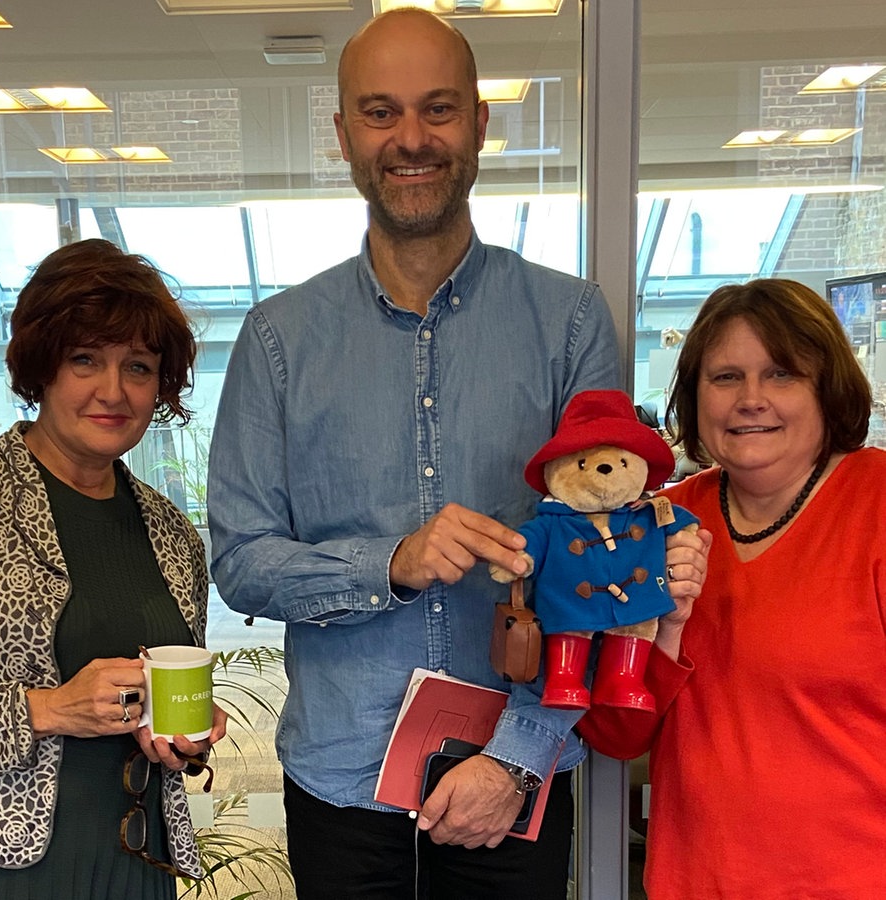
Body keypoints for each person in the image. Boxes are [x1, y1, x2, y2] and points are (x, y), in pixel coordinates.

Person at [207, 9, 706, 899]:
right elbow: (242, 561)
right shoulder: (277, 340)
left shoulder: (570, 323)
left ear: (480, 123)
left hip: (513, 778)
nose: (411, 139)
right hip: (339, 783)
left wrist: (516, 758)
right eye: (380, 112)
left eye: (438, 109)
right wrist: (389, 564)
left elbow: (608, 561)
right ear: (343, 134)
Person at [0, 239, 227, 898]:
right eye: (85, 359)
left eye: (139, 367)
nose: (113, 391)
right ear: (42, 367)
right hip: (6, 867)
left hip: (135, 856)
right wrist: (46, 709)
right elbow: (52, 708)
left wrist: (183, 738)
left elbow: (165, 697)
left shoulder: (172, 533)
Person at [640, 278, 885, 897]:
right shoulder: (656, 523)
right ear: (694, 396)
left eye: (781, 374)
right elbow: (616, 734)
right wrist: (665, 627)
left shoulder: (876, 503)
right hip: (693, 881)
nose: (752, 400)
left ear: (827, 388)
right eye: (725, 378)